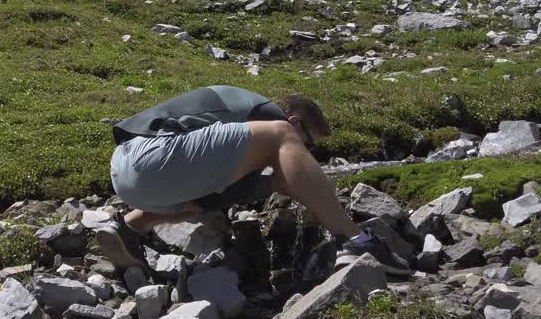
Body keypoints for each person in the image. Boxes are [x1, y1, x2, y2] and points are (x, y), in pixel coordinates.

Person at [101, 85, 411, 276]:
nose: (306, 152)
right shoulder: (263, 113)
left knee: (198, 207)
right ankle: (353, 238)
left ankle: (129, 226)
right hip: (149, 154)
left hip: (132, 175)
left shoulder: (233, 146)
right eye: (309, 144)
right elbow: (282, 138)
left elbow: (221, 195)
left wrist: (276, 184)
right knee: (279, 136)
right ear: (295, 120)